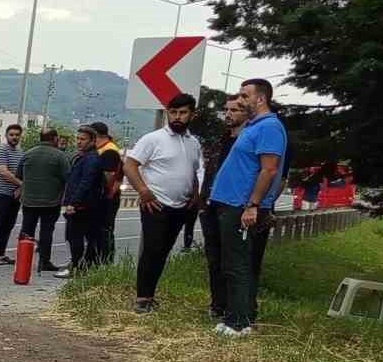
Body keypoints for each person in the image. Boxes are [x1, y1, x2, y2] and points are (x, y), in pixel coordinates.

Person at [207, 78, 288, 336]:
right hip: (229, 204)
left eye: (245, 95)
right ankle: (238, 315)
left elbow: (269, 168)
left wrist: (253, 204)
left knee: (238, 264)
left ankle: (239, 322)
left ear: (260, 99)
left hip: (240, 206)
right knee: (231, 262)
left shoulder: (270, 127)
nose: (240, 100)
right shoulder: (255, 126)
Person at [122, 93, 202, 313]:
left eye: (183, 112)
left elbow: (193, 171)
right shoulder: (153, 139)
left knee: (163, 251)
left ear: (191, 114)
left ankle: (150, 295)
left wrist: (195, 193)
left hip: (181, 206)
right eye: (173, 112)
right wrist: (144, 191)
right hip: (155, 204)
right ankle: (142, 298)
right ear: (167, 112)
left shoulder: (193, 143)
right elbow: (129, 165)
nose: (177, 117)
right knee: (152, 250)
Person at [198, 94, 248, 322]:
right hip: (209, 203)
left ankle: (235, 309)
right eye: (226, 110)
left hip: (233, 205)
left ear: (247, 113)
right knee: (214, 257)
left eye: (235, 110)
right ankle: (217, 304)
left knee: (232, 260)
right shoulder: (220, 139)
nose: (228, 114)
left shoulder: (247, 141)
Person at [54, 126, 105, 278]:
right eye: (78, 138)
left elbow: (85, 182)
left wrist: (73, 203)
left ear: (93, 141)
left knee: (75, 237)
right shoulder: (84, 157)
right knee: (75, 237)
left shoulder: (91, 159)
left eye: (83, 139)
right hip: (81, 205)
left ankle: (77, 267)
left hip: (83, 206)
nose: (79, 142)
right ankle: (79, 266)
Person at [17, 128, 68, 273]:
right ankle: (44, 262)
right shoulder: (60, 156)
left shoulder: (28, 154)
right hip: (51, 202)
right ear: (55, 139)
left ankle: (22, 260)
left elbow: (19, 175)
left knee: (27, 231)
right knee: (46, 232)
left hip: (29, 201)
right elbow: (68, 177)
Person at [0, 123, 25, 265]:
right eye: (11, 135)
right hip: (1, 192)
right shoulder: (2, 150)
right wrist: (20, 184)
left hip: (15, 195)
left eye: (17, 135)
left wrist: (20, 189)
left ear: (21, 136)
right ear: (6, 136)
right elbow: (4, 172)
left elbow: (23, 173)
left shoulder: (21, 152)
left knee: (9, 224)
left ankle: (1, 253)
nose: (14, 137)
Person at [90, 121, 124, 264]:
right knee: (98, 231)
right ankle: (95, 260)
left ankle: (104, 262)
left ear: (96, 135)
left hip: (106, 199)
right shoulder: (103, 149)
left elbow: (110, 177)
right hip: (103, 197)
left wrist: (105, 196)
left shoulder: (109, 151)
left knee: (105, 231)